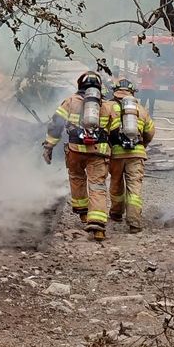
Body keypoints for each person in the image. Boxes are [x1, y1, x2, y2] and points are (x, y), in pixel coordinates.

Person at [43, 71, 112, 240]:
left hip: (75, 150)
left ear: (80, 85)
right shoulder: (106, 105)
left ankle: (83, 214)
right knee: (97, 184)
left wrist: (49, 146)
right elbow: (116, 130)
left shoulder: (70, 102)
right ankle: (98, 226)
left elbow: (55, 125)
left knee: (76, 177)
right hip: (98, 151)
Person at [104, 78, 155, 233]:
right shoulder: (140, 109)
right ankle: (134, 222)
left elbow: (101, 129)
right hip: (136, 153)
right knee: (134, 187)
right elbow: (150, 131)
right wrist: (142, 145)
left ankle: (116, 213)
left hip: (116, 153)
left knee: (116, 183)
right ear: (132, 92)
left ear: (115, 91)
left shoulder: (107, 106)